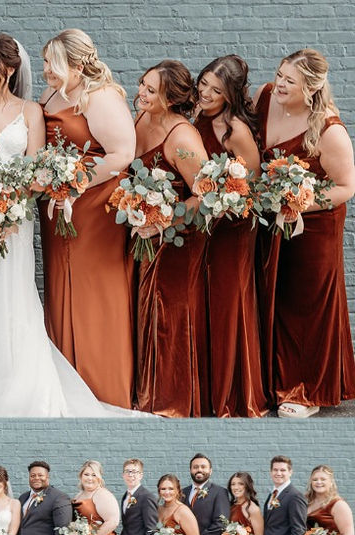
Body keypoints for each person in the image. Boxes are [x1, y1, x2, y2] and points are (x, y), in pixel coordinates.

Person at [0, 34, 126, 419]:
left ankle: (20, 385)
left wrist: (8, 210)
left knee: (16, 296)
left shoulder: (33, 110)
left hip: (16, 218)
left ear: (9, 69)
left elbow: (34, 167)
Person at [254, 49, 355, 417]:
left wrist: (297, 203)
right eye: (279, 74)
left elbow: (345, 186)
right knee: (276, 297)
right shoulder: (264, 97)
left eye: (289, 80)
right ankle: (274, 382)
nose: (279, 83)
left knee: (306, 304)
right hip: (273, 219)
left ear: (311, 88)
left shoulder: (329, 131)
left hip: (315, 226)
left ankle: (306, 391)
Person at [40, 29, 136, 409]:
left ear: (78, 66)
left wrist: (72, 182)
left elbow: (120, 154)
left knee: (96, 290)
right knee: (62, 287)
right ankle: (68, 382)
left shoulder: (100, 97)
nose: (46, 69)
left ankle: (104, 386)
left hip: (94, 206)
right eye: (45, 62)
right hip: (60, 208)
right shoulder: (52, 94)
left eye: (53, 63)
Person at [132, 61, 209, 416]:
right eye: (142, 85)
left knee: (168, 318)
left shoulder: (182, 138)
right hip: (145, 236)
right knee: (147, 313)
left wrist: (163, 220)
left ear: (170, 98)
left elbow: (206, 196)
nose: (141, 93)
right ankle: (145, 393)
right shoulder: (142, 118)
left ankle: (170, 402)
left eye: (151, 90)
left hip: (178, 241)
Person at [194, 55, 267, 418]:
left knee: (229, 303)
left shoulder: (234, 127)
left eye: (216, 90)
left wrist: (225, 200)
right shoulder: (198, 113)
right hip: (207, 223)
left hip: (234, 225)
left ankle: (234, 394)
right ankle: (208, 391)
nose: (206, 93)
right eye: (204, 83)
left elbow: (252, 181)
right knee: (207, 300)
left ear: (231, 94)